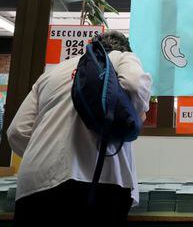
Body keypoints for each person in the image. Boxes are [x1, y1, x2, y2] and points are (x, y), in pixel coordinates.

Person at [7, 31, 152, 226]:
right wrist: (136, 114)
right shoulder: (121, 57)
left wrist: (47, 157)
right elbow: (135, 85)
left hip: (35, 185)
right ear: (125, 48)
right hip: (100, 183)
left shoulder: (52, 73)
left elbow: (17, 130)